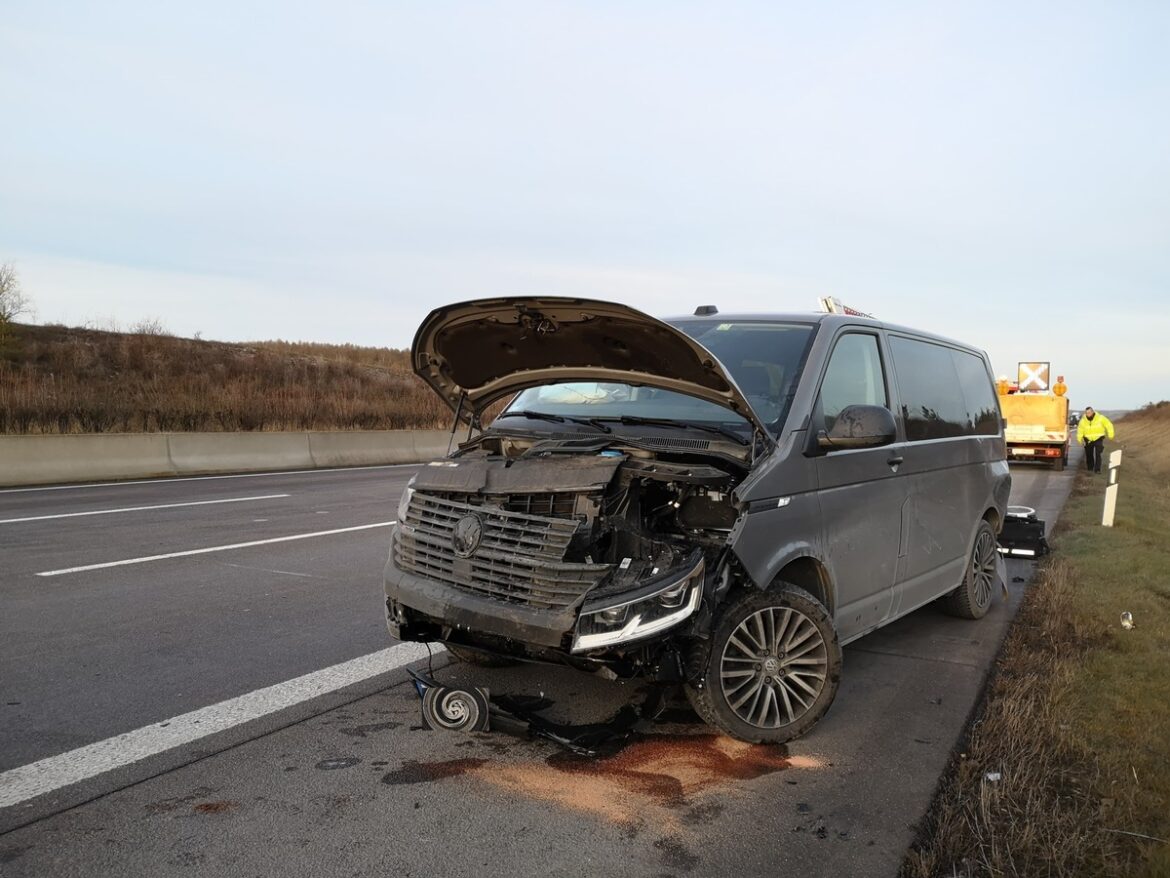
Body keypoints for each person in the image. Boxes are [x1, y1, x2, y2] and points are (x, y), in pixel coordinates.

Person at [1076, 406, 1115, 474]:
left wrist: (1111, 435)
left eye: (1089, 412)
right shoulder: (1083, 421)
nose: (1088, 414)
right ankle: (1090, 468)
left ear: (1093, 412)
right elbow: (1080, 430)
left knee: (1098, 453)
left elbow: (1109, 425)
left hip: (1098, 438)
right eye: (1087, 413)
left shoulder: (1101, 418)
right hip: (1088, 439)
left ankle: (1097, 469)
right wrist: (1079, 439)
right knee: (1089, 454)